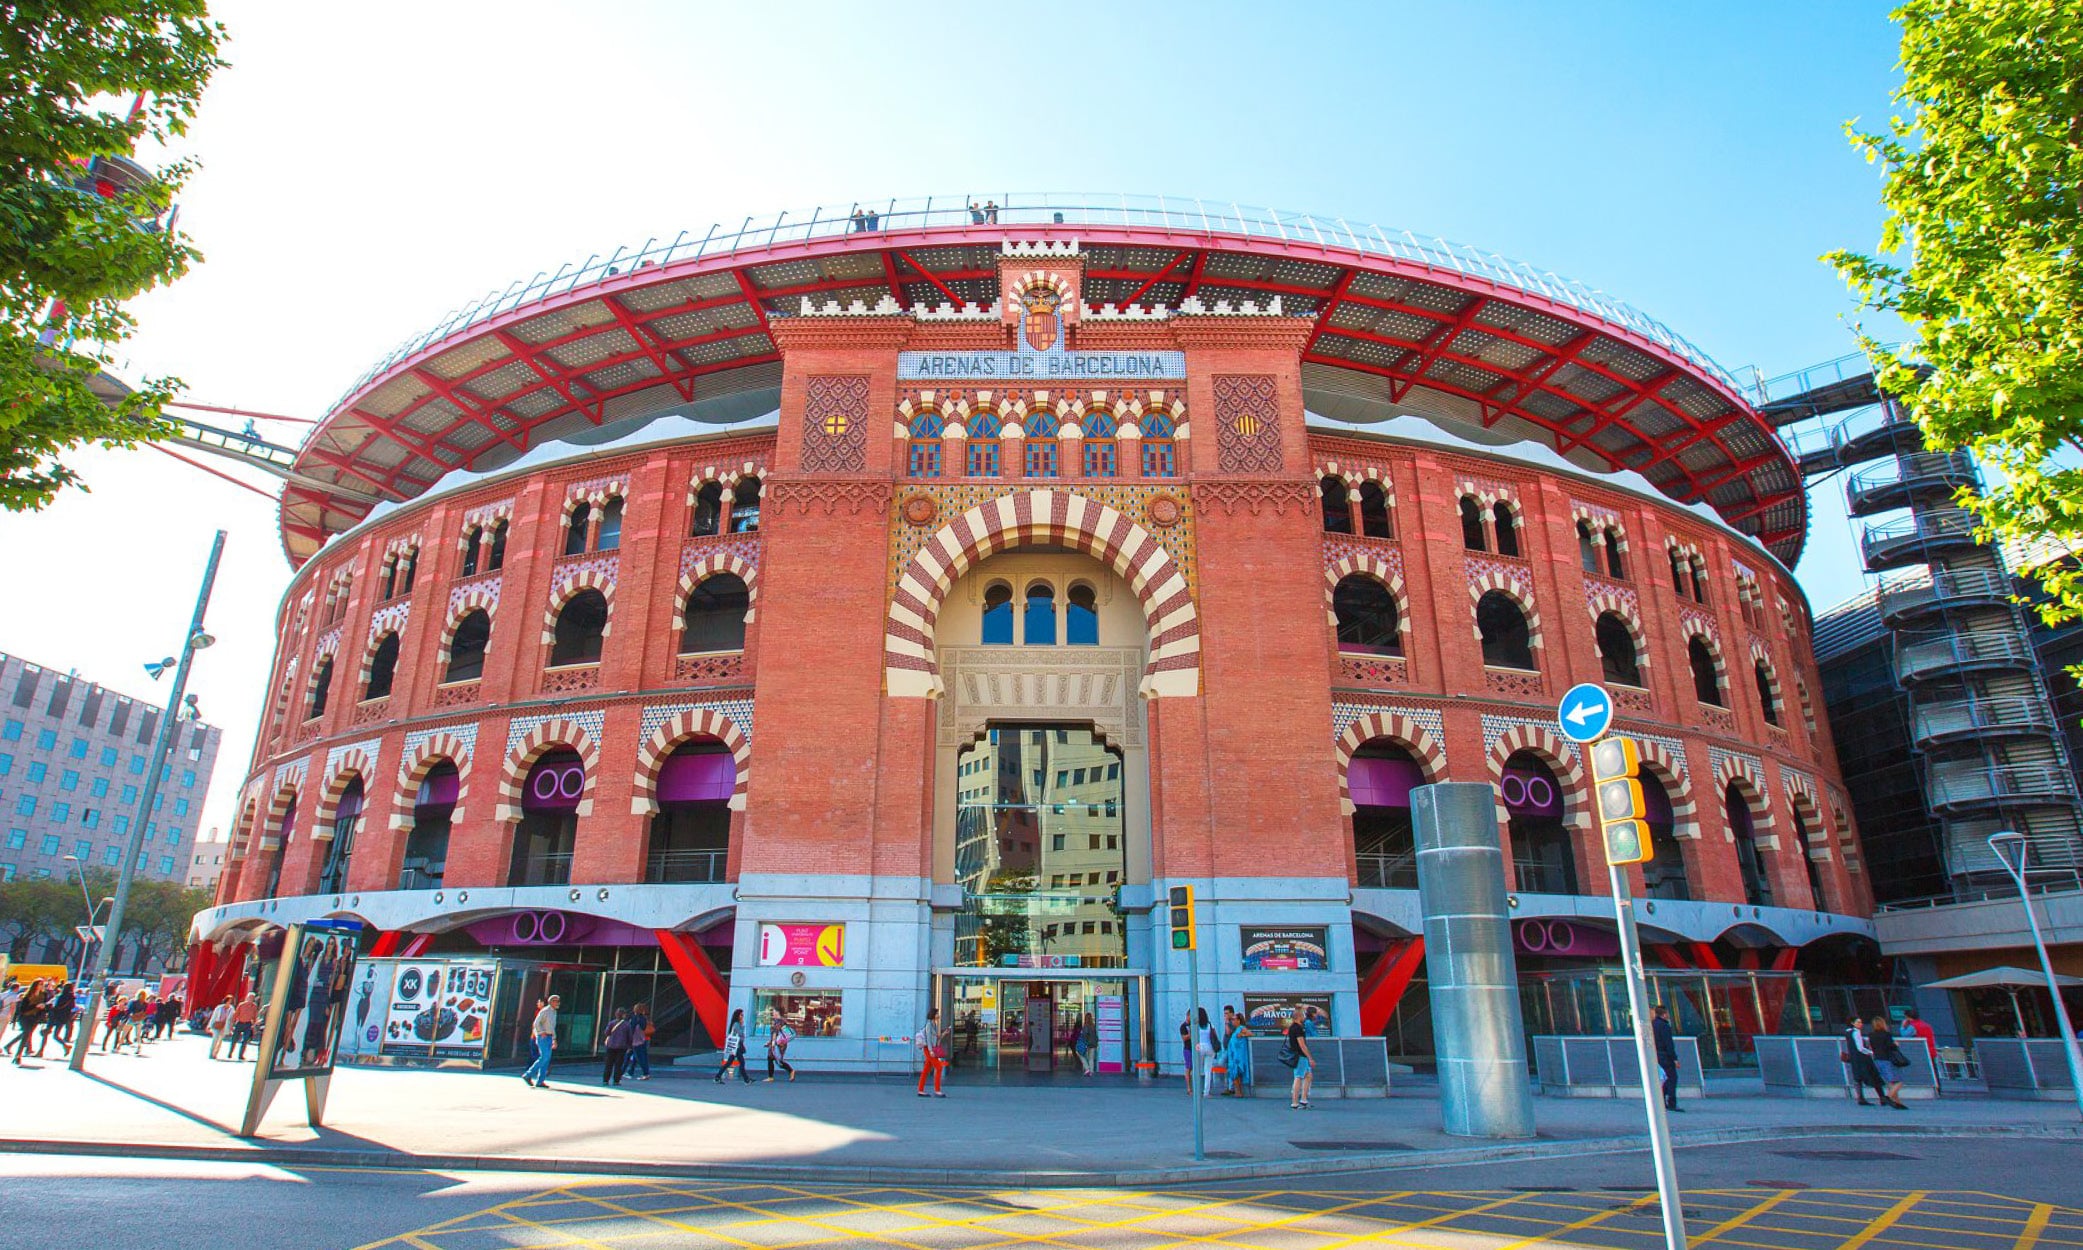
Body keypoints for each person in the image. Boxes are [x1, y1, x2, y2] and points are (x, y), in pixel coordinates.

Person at [1843, 1017, 1888, 1107]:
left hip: (1854, 1059)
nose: (1861, 1024)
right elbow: (1860, 1048)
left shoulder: (1848, 1032)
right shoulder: (1856, 1032)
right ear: (1853, 1023)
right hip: (1863, 1059)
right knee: (1874, 1076)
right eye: (1858, 1022)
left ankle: (1861, 1098)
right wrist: (1871, 1052)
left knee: (1858, 1078)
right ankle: (1882, 1097)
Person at [1869, 1015, 1911, 1110]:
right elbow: (1889, 1046)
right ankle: (1887, 1097)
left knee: (1890, 1082)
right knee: (1899, 1081)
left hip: (1877, 1060)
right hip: (1887, 1060)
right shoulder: (1887, 1034)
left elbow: (1872, 1047)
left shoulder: (1871, 1035)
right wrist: (1895, 1044)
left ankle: (1897, 1103)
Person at [521, 993, 560, 1088]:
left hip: (549, 1037)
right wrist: (541, 1032)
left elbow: (552, 1027)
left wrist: (554, 1039)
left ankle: (540, 1081)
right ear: (551, 1002)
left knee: (546, 1059)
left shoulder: (554, 1012)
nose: (558, 1003)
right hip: (543, 1037)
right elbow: (536, 1023)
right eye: (556, 1001)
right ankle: (528, 1075)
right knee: (544, 1057)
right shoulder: (545, 1011)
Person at [1651, 1004, 1683, 1112]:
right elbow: (1668, 1044)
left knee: (1663, 1079)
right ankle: (1672, 1103)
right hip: (1665, 1056)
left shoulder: (1653, 1024)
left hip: (1656, 1055)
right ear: (1664, 1014)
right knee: (1672, 1079)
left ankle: (1662, 1101)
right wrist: (1675, 1058)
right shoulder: (1664, 1026)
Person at [9, 979, 49, 1063]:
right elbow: (23, 1009)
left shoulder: (44, 995)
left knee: (26, 1034)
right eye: (40, 984)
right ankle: (18, 1055)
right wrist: (36, 1006)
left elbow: (45, 1006)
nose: (42, 986)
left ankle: (10, 1047)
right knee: (26, 1033)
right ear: (35, 985)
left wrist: (44, 1007)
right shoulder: (28, 995)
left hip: (35, 1018)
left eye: (43, 984)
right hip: (25, 1017)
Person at [1902, 1009, 1940, 1092]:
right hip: (1930, 1050)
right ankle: (1937, 1088)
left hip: (1920, 1052)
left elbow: (1904, 1035)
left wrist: (1903, 1026)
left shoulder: (1912, 1026)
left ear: (1907, 1017)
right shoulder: (1926, 1025)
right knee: (1933, 1069)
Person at [714, 1008, 752, 1084]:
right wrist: (742, 1025)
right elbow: (740, 1033)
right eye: (741, 1015)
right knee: (742, 1062)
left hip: (735, 1046)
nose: (742, 1016)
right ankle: (746, 1079)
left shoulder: (736, 1024)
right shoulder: (736, 1024)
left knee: (729, 1062)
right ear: (738, 1016)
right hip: (736, 1046)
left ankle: (717, 1077)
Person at [1286, 1010, 1315, 1109]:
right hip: (1300, 1056)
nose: (1304, 1017)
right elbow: (1302, 1045)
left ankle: (1303, 1099)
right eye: (1302, 1015)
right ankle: (1295, 1102)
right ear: (1298, 1017)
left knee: (1308, 1075)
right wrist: (1310, 1057)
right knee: (1298, 1077)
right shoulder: (1298, 1029)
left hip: (1297, 1055)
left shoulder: (1292, 1028)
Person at [600, 1007, 636, 1086]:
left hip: (611, 1046)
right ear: (624, 1015)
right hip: (622, 1047)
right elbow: (629, 1037)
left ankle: (605, 1080)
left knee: (608, 1064)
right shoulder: (627, 1024)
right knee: (618, 1064)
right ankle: (616, 1081)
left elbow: (606, 1032)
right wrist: (630, 1046)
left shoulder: (611, 1023)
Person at [916, 1006, 946, 1097]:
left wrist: (945, 1033)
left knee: (926, 1070)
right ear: (933, 1015)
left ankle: (920, 1090)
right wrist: (931, 1050)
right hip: (929, 1049)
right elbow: (928, 1039)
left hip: (931, 1049)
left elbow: (936, 1039)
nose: (938, 1015)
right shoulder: (929, 1024)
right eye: (937, 1013)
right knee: (939, 1067)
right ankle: (937, 1090)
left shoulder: (934, 1025)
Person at [1223, 1005, 1254, 1096]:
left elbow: (1250, 1033)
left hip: (1238, 1055)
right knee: (1233, 1072)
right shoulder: (1236, 1029)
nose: (1232, 1021)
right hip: (1233, 1054)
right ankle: (1237, 1091)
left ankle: (1238, 1092)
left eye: (1234, 1019)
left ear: (1238, 1020)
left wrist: (1242, 1035)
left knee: (1236, 1072)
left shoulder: (1241, 1028)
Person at [764, 1008, 796, 1082]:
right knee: (772, 1058)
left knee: (776, 1060)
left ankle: (790, 1071)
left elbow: (775, 1033)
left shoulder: (777, 1022)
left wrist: (772, 1043)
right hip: (781, 1044)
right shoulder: (783, 1021)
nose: (773, 1013)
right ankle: (771, 1076)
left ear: (778, 1012)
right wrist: (770, 1042)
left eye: (774, 1011)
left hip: (777, 1044)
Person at [1194, 1007, 1220, 1096]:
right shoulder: (1210, 1024)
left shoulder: (1196, 1025)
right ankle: (1206, 1092)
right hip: (1210, 1048)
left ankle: (1197, 1090)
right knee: (1208, 1070)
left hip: (1199, 1047)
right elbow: (1215, 1036)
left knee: (1197, 1069)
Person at [230, 994, 260, 1061]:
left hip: (248, 1024)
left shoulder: (254, 1006)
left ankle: (240, 1055)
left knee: (245, 1040)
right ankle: (230, 1053)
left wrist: (254, 1026)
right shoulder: (241, 1005)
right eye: (250, 998)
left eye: (252, 998)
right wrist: (232, 1025)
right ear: (247, 998)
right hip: (240, 1023)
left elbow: (255, 1017)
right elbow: (235, 1015)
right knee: (234, 1039)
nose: (251, 999)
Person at [627, 1002, 652, 1081]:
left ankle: (645, 1073)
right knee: (642, 1057)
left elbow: (631, 1029)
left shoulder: (634, 1018)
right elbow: (644, 1028)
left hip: (635, 1040)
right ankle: (632, 1071)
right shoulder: (644, 1018)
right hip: (642, 1039)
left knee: (639, 1058)